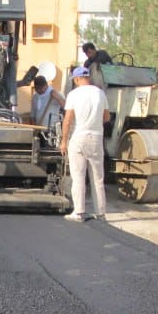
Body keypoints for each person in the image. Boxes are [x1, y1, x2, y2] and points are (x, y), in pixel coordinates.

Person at [60, 65, 110, 222]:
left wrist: (63, 141)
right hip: (96, 138)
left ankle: (79, 212)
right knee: (98, 178)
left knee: (78, 176)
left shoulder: (73, 94)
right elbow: (107, 117)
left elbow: (67, 120)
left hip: (79, 137)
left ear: (76, 79)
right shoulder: (100, 93)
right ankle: (101, 213)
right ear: (88, 77)